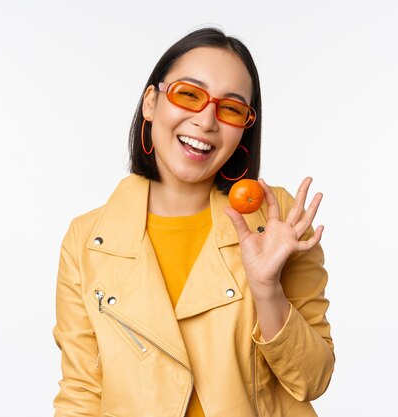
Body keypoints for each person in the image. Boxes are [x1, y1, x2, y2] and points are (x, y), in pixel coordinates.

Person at [53, 27, 334, 417]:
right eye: (189, 94)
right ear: (151, 103)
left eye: (231, 108)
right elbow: (81, 393)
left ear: (244, 130)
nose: (206, 121)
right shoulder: (87, 240)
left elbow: (312, 380)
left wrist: (267, 290)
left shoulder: (275, 220)